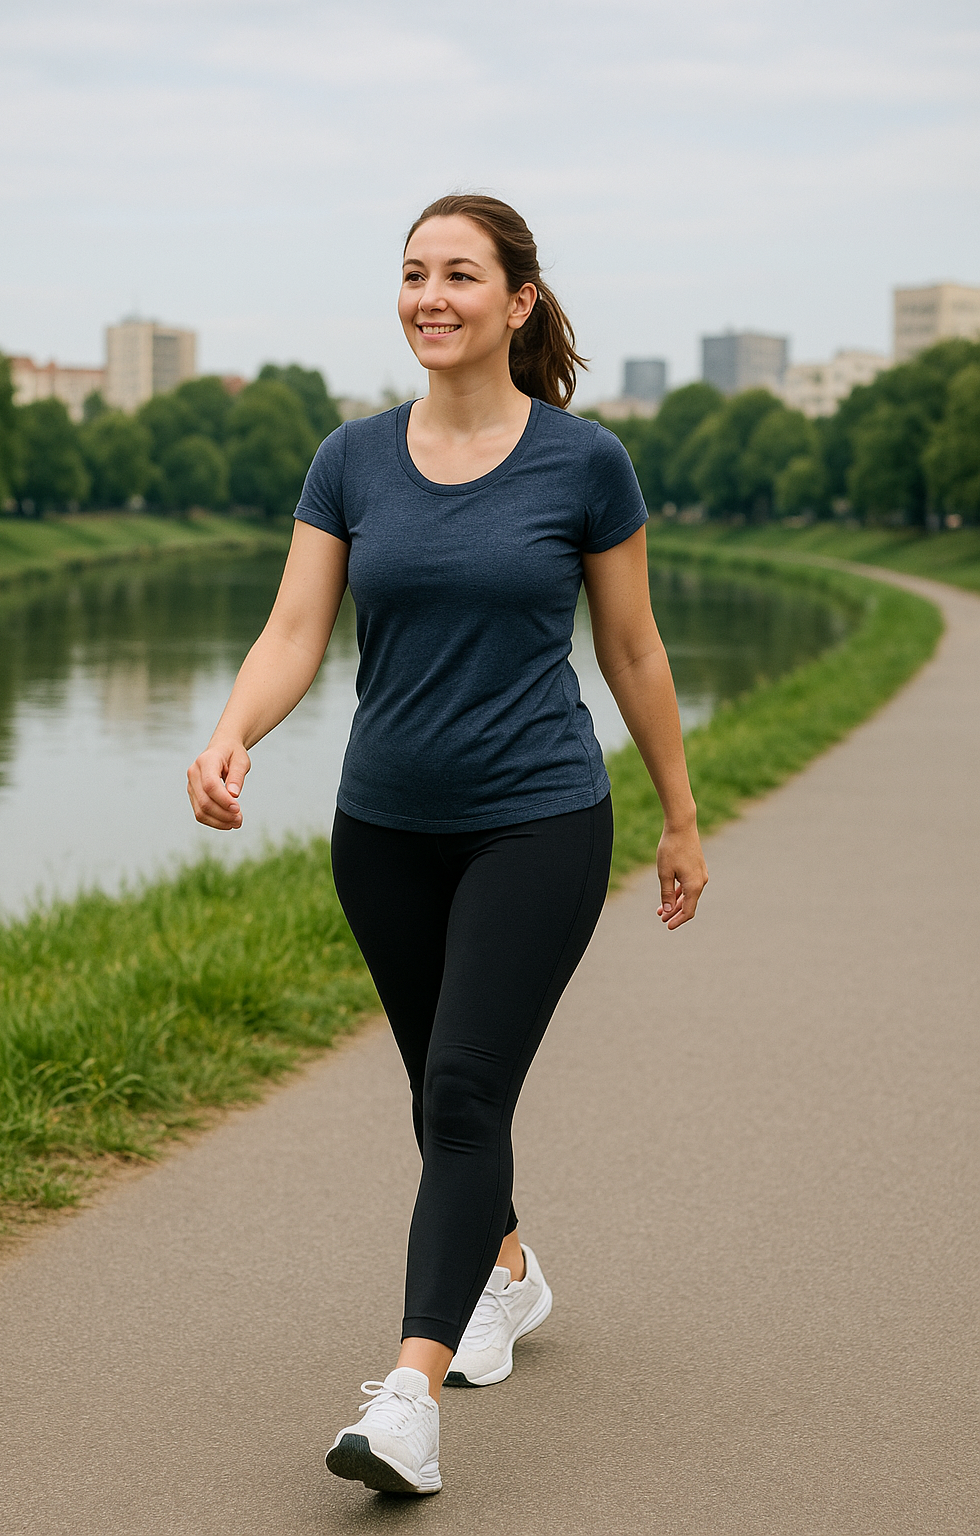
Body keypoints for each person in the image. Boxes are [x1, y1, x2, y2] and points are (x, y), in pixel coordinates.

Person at [186, 193, 708, 1497]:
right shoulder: (352, 459)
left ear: (517, 302)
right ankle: (508, 1275)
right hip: (383, 831)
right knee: (442, 1094)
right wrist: (232, 729)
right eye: (414, 273)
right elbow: (296, 628)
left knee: (466, 1093)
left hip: (537, 817)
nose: (432, 295)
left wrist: (681, 817)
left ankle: (409, 1395)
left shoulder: (584, 464)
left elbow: (634, 651)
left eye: (461, 275)